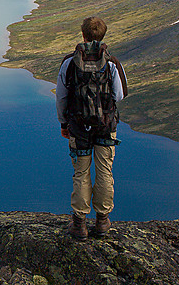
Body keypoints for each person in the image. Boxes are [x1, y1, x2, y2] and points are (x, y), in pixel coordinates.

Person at [56, 16, 127, 240]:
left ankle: (79, 224)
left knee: (81, 172)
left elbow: (61, 97)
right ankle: (102, 221)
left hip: (78, 128)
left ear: (83, 35)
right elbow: (120, 95)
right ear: (103, 35)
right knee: (105, 171)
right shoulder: (112, 63)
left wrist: (64, 124)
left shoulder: (69, 63)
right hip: (106, 127)